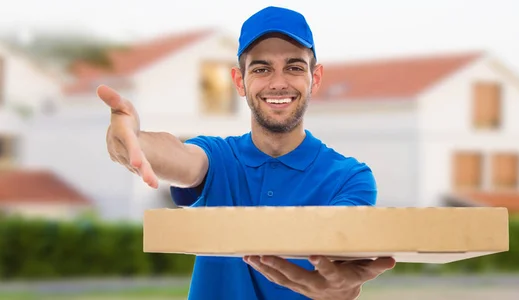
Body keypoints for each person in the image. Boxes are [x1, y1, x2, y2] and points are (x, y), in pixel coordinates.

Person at [97, 5, 395, 300]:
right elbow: (179, 155)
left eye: (293, 67)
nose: (278, 83)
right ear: (240, 81)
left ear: (314, 78)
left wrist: (342, 289)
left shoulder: (349, 177)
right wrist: (129, 139)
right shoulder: (220, 158)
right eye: (261, 69)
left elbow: (341, 244)